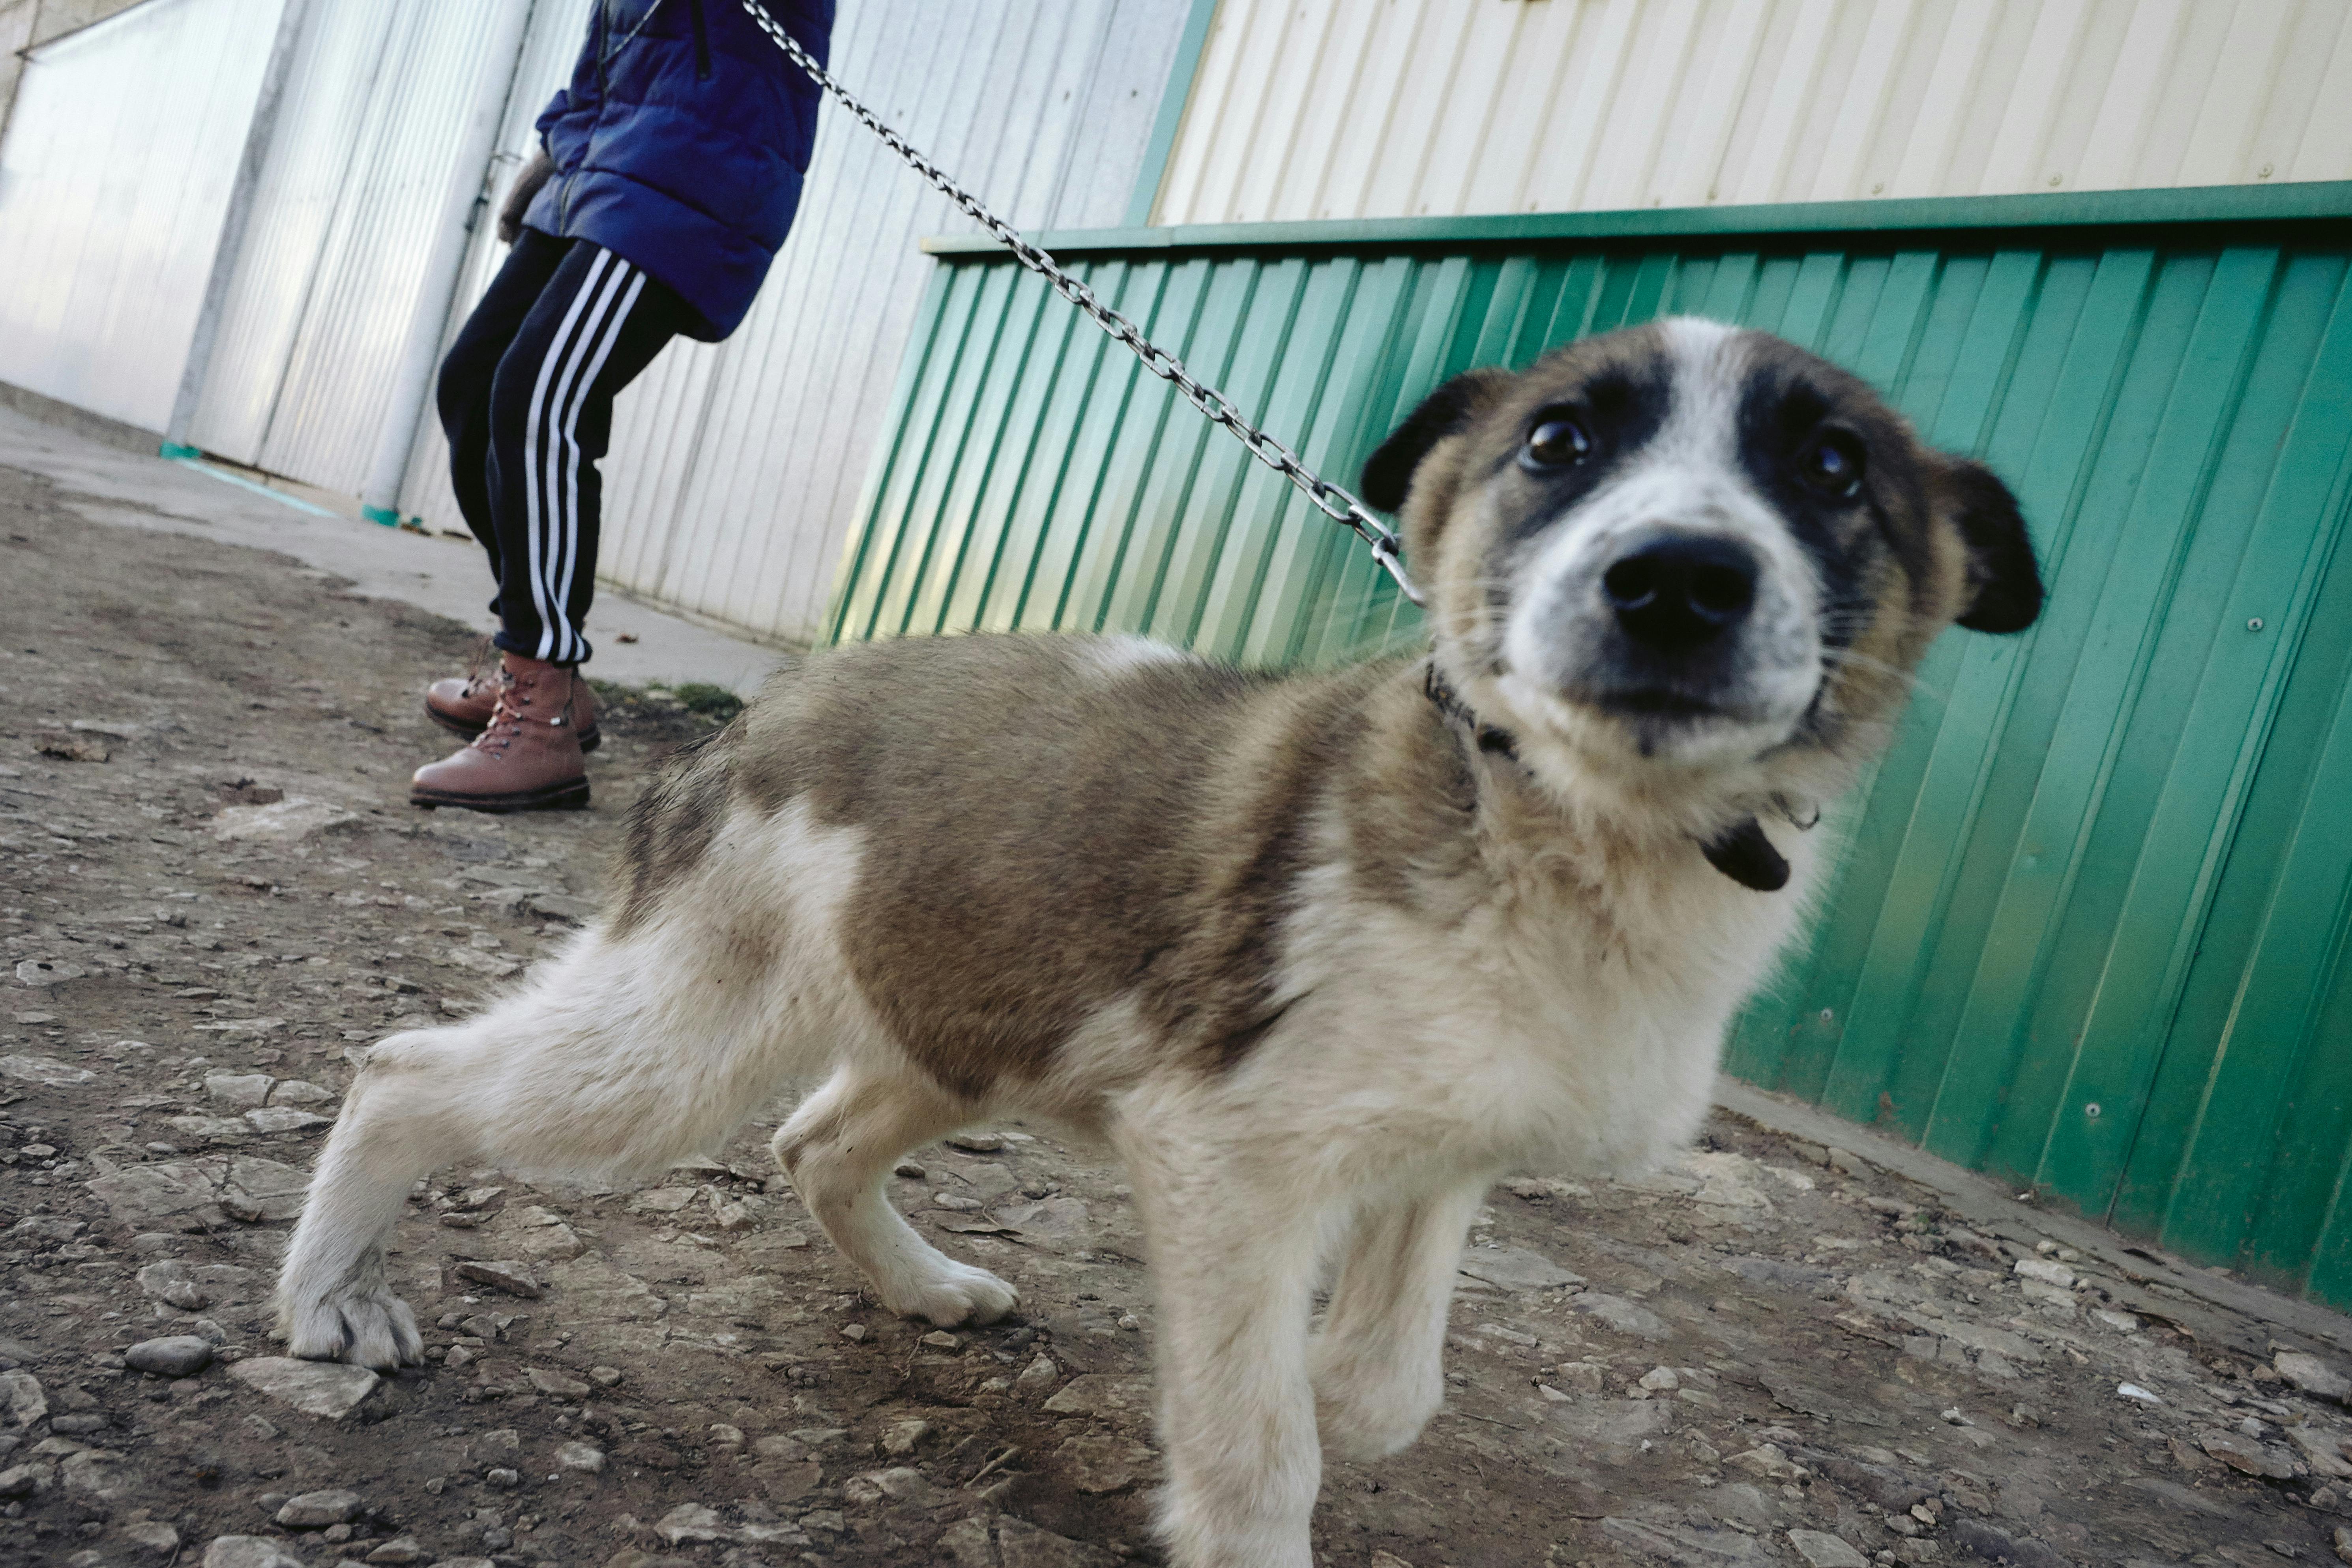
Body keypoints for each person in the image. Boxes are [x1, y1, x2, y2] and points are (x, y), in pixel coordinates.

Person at [415, 0, 833, 812]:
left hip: (692, 165)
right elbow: (610, 47)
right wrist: (552, 147)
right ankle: (538, 666)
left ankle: (539, 709)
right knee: (472, 384)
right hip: (595, 158)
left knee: (540, 395)